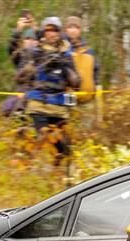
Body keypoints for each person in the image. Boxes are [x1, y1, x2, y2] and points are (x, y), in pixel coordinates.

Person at [24, 17, 80, 161]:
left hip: (59, 108)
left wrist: (64, 67)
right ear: (44, 32)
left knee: (64, 150)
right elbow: (22, 77)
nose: (51, 33)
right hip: (38, 105)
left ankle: (62, 177)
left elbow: (76, 83)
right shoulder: (36, 52)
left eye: (54, 30)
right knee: (43, 142)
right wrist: (39, 65)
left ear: (59, 32)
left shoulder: (66, 53)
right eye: (48, 30)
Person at [63, 16, 99, 103]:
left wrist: (94, 88)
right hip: (69, 98)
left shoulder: (89, 51)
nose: (73, 30)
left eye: (76, 27)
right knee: (71, 116)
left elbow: (95, 71)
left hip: (87, 99)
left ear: (80, 30)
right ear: (66, 30)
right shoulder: (62, 49)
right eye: (70, 27)